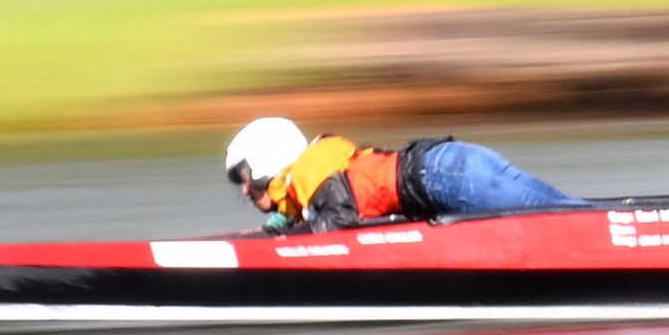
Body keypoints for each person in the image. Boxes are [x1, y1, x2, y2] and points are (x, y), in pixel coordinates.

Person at [222, 117, 590, 234]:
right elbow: (319, 211)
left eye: (244, 175)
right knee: (569, 213)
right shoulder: (309, 176)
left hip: (443, 176)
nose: (244, 188)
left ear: (268, 160)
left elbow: (339, 220)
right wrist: (283, 227)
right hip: (450, 166)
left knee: (567, 221)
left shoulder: (308, 169)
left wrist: (286, 239)